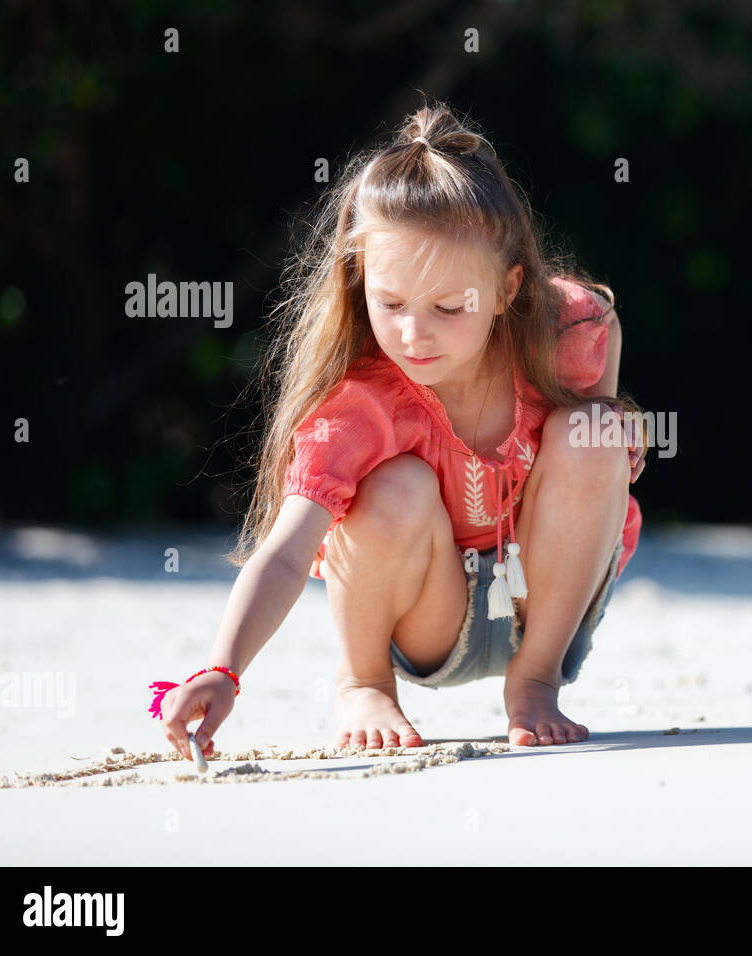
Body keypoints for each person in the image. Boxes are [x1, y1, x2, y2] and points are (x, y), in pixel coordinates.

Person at [151, 99, 647, 757]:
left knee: (596, 433)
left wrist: (613, 430)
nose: (414, 334)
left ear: (507, 289)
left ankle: (534, 683)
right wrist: (223, 668)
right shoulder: (361, 406)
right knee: (397, 488)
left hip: (546, 603)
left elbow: (595, 485)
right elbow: (288, 549)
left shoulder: (570, 331)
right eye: (390, 304)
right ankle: (364, 681)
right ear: (361, 286)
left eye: (448, 306)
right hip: (424, 612)